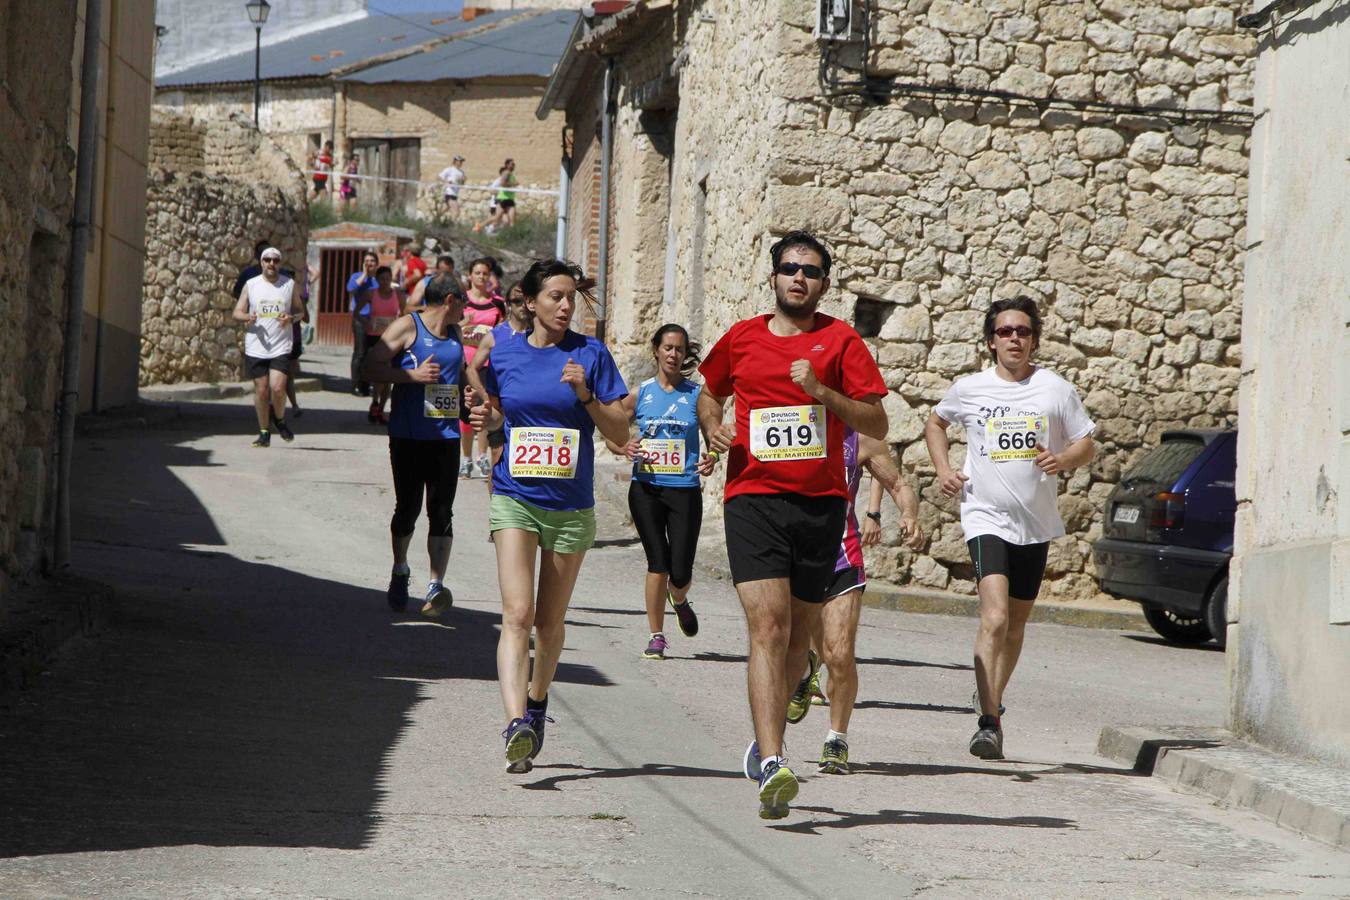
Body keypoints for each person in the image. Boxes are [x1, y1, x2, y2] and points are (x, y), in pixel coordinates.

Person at [697, 230, 887, 819]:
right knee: (768, 629)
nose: (798, 278)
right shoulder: (743, 338)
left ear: (823, 284)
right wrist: (713, 427)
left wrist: (823, 392)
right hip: (752, 497)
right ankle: (775, 762)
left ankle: (774, 720)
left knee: (798, 641)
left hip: (821, 505)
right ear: (774, 277)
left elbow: (875, 419)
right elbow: (708, 394)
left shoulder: (841, 340)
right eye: (789, 268)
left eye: (809, 271)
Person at [469, 258, 629, 774]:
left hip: (570, 506)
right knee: (516, 615)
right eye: (555, 297)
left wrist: (585, 394)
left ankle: (537, 701)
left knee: (549, 622)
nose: (565, 306)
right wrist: (487, 419)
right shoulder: (505, 352)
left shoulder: (591, 354)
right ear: (530, 300)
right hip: (514, 495)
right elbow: (497, 412)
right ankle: (515, 723)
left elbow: (620, 434)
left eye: (571, 298)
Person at [924, 295, 1096, 760]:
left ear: (1034, 339)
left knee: (1016, 625)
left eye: (1022, 331)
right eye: (1005, 332)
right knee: (995, 616)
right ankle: (988, 721)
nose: (1014, 338)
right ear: (991, 341)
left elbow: (1087, 444)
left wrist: (1063, 459)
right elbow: (935, 423)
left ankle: (992, 696)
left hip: (1035, 522)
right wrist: (944, 470)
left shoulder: (1055, 389)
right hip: (985, 515)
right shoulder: (971, 388)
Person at [786, 429, 924, 775]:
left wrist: (908, 514)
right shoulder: (786, 423)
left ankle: (836, 739)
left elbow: (899, 485)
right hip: (791, 556)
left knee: (840, 652)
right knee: (792, 645)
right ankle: (805, 670)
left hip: (842, 555)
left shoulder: (861, 439)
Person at [604, 324, 716, 660]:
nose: (673, 354)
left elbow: (713, 433)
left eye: (679, 349)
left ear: (685, 355)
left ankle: (678, 599)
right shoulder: (641, 393)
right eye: (667, 348)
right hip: (646, 489)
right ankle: (656, 635)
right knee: (658, 562)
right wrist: (624, 446)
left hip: (684, 490)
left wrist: (711, 457)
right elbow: (611, 430)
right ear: (656, 350)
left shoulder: (696, 395)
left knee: (680, 572)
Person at [361, 274, 466, 615]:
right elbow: (369, 367)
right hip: (408, 435)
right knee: (408, 509)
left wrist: (469, 397)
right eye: (463, 301)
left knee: (442, 511)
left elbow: (457, 375)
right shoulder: (408, 327)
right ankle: (401, 568)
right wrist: (410, 376)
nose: (467, 308)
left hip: (446, 436)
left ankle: (436, 586)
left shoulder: (455, 334)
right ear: (450, 300)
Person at [232, 247, 304, 447]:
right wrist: (248, 316)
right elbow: (236, 312)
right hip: (256, 346)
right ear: (261, 263)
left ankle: (279, 419)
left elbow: (300, 312)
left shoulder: (288, 285)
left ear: (279, 263)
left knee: (278, 387)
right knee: (262, 391)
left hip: (281, 344)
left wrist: (291, 318)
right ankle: (264, 431)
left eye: (275, 260)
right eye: (267, 260)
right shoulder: (251, 285)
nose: (271, 263)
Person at [466, 280, 532, 482]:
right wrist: (486, 396)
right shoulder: (495, 336)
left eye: (525, 300)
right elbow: (472, 368)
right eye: (516, 301)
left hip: (528, 410)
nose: (521, 305)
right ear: (508, 304)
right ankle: (497, 509)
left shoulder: (539, 336)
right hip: (500, 409)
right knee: (497, 458)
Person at [460, 258, 506, 477]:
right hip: (464, 363)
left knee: (485, 410)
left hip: (487, 365)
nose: (481, 277)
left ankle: (481, 457)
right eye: (477, 273)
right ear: (470, 275)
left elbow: (503, 330)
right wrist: (463, 324)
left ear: (490, 277)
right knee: (466, 414)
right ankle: (466, 459)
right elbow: (449, 327)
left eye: (485, 273)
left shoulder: (497, 303)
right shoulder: (461, 301)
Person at [364, 265, 405, 425]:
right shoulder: (371, 294)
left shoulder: (398, 295)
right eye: (382, 279)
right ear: (377, 280)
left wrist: (400, 326)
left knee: (389, 375)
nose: (385, 282)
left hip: (393, 338)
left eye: (388, 279)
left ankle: (380, 407)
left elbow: (405, 313)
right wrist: (367, 322)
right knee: (380, 374)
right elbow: (358, 313)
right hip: (375, 337)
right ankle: (375, 401)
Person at [347, 251, 379, 396]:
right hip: (360, 319)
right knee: (360, 352)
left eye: (372, 261)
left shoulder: (379, 280)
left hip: (375, 321)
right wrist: (365, 274)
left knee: (371, 353)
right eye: (366, 260)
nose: (369, 263)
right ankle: (355, 385)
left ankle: (366, 385)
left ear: (376, 264)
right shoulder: (357, 277)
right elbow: (351, 289)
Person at [284, 266, 313, 418]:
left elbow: (306, 319)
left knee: (289, 376)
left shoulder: (298, 298)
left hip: (294, 340)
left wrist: (300, 305)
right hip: (278, 342)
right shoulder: (274, 296)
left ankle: (294, 406)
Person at [438, 154, 466, 219]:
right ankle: (450, 226)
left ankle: (435, 222)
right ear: (455, 161)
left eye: (462, 161)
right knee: (456, 212)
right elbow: (439, 177)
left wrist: (462, 181)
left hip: (455, 193)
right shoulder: (449, 169)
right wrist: (446, 182)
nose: (461, 163)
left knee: (445, 208)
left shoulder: (461, 172)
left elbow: (461, 183)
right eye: (460, 161)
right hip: (449, 193)